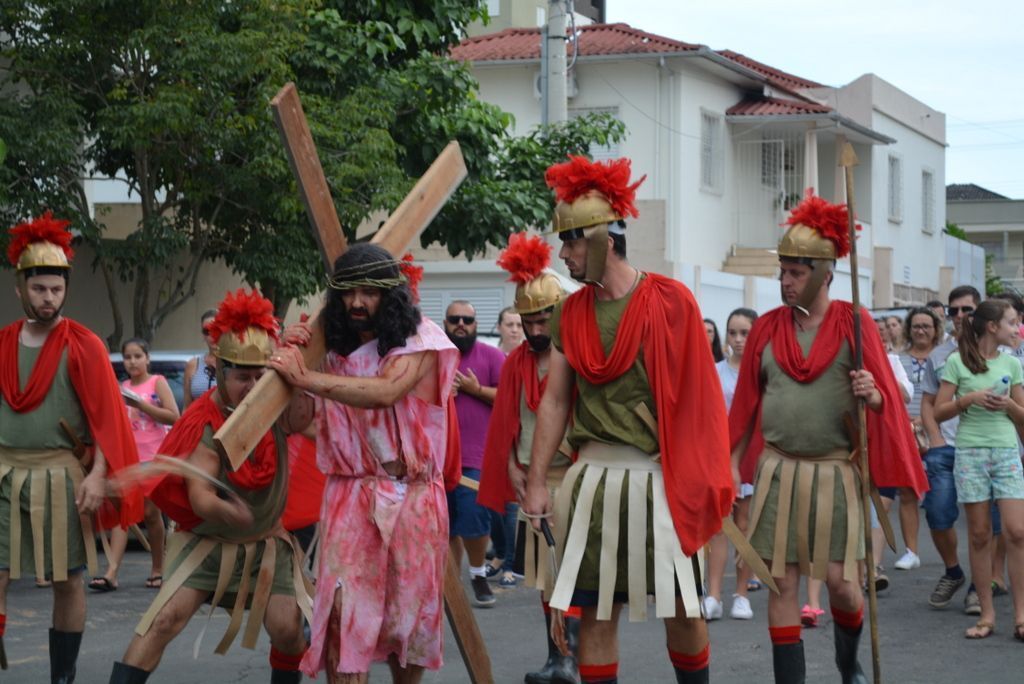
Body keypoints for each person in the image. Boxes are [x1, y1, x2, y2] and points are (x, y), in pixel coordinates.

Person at [523, 156, 733, 684]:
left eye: (571, 243)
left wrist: (704, 479)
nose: (564, 256)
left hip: (661, 480)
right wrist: (536, 481)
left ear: (602, 240)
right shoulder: (568, 314)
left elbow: (701, 403)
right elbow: (554, 402)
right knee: (595, 613)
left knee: (683, 609)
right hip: (592, 480)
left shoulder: (670, 301)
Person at [729, 192, 928, 683]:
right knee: (780, 582)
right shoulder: (767, 328)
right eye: (782, 272)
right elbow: (745, 408)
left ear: (823, 273)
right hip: (777, 469)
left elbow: (885, 403)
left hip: (836, 472)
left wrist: (874, 393)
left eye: (795, 272)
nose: (784, 281)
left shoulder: (854, 322)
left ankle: (847, 661)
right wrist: (730, 465)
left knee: (841, 582)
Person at [269, 244, 460, 683]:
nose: (357, 302)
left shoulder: (421, 339)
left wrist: (308, 376)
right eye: (348, 292)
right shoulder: (330, 351)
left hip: (413, 498)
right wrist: (295, 362)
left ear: (390, 296)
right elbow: (298, 420)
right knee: (342, 616)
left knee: (406, 619)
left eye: (369, 292)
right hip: (350, 496)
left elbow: (384, 392)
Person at [109, 289, 311, 684]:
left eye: (260, 376)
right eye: (243, 377)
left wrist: (298, 375)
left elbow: (302, 419)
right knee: (164, 620)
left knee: (288, 630)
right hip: (207, 544)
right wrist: (225, 508)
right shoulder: (204, 419)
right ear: (219, 371)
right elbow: (200, 496)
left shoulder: (276, 404)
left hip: (267, 544)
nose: (253, 386)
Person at [0, 213, 142, 681]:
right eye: (39, 288)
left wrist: (100, 474)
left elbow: (107, 419)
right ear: (20, 287)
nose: (48, 298)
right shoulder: (0, 345)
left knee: (67, 579)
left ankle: (63, 678)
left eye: (56, 289)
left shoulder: (84, 345)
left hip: (61, 475)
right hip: (2, 474)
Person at [478, 232, 579, 683]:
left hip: (574, 479)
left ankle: (575, 658)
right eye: (528, 321)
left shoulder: (578, 355)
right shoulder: (516, 362)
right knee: (546, 579)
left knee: (575, 577)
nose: (536, 330)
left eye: (543, 320)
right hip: (533, 486)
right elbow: (506, 427)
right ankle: (557, 659)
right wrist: (512, 468)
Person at [932, 299, 1024, 641]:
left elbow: (1023, 418)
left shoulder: (1012, 364)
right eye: (1012, 323)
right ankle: (986, 615)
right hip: (969, 453)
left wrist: (1010, 405)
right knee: (981, 534)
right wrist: (967, 401)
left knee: (1016, 531)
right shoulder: (957, 362)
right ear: (992, 326)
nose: (1016, 329)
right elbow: (939, 412)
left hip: (1005, 452)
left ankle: (1020, 614)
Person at [91, 338, 179, 593]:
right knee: (124, 514)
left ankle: (157, 568)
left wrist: (140, 405)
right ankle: (112, 573)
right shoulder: (121, 387)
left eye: (138, 356)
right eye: (128, 357)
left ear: (147, 358)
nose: (133, 361)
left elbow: (174, 415)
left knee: (152, 515)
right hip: (128, 459)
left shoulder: (157, 382)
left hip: (153, 458)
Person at [920, 285, 986, 614]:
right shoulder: (938, 355)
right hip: (946, 447)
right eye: (953, 311)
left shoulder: (997, 352)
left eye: (966, 310)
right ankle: (953, 571)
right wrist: (934, 438)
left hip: (985, 447)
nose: (959, 316)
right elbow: (928, 403)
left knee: (985, 525)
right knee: (938, 513)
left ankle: (980, 585)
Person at [444, 299, 506, 608]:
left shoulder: (492, 357)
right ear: (445, 323)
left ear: (476, 324)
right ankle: (449, 586)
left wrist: (475, 389)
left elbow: (509, 398)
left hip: (476, 459)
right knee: (444, 526)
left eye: (467, 319)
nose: (461, 324)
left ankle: (478, 574)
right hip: (437, 461)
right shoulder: (433, 358)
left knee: (474, 522)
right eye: (454, 319)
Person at [704, 308, 759, 622]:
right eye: (733, 333)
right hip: (720, 457)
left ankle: (741, 594)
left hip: (751, 456)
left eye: (745, 333)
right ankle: (713, 595)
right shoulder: (716, 370)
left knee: (745, 526)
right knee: (719, 526)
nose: (738, 340)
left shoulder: (761, 372)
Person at [892, 307, 944, 572]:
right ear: (909, 329)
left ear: (936, 329)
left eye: (926, 326)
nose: (921, 331)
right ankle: (911, 550)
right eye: (916, 326)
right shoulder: (897, 359)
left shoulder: (946, 357)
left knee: (940, 495)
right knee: (907, 490)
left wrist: (926, 420)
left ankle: (946, 548)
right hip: (904, 432)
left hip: (940, 432)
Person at [182, 309, 218, 407]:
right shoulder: (193, 364)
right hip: (197, 421)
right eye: (207, 331)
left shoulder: (234, 363)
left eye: (216, 329)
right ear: (203, 335)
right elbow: (186, 407)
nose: (212, 335)